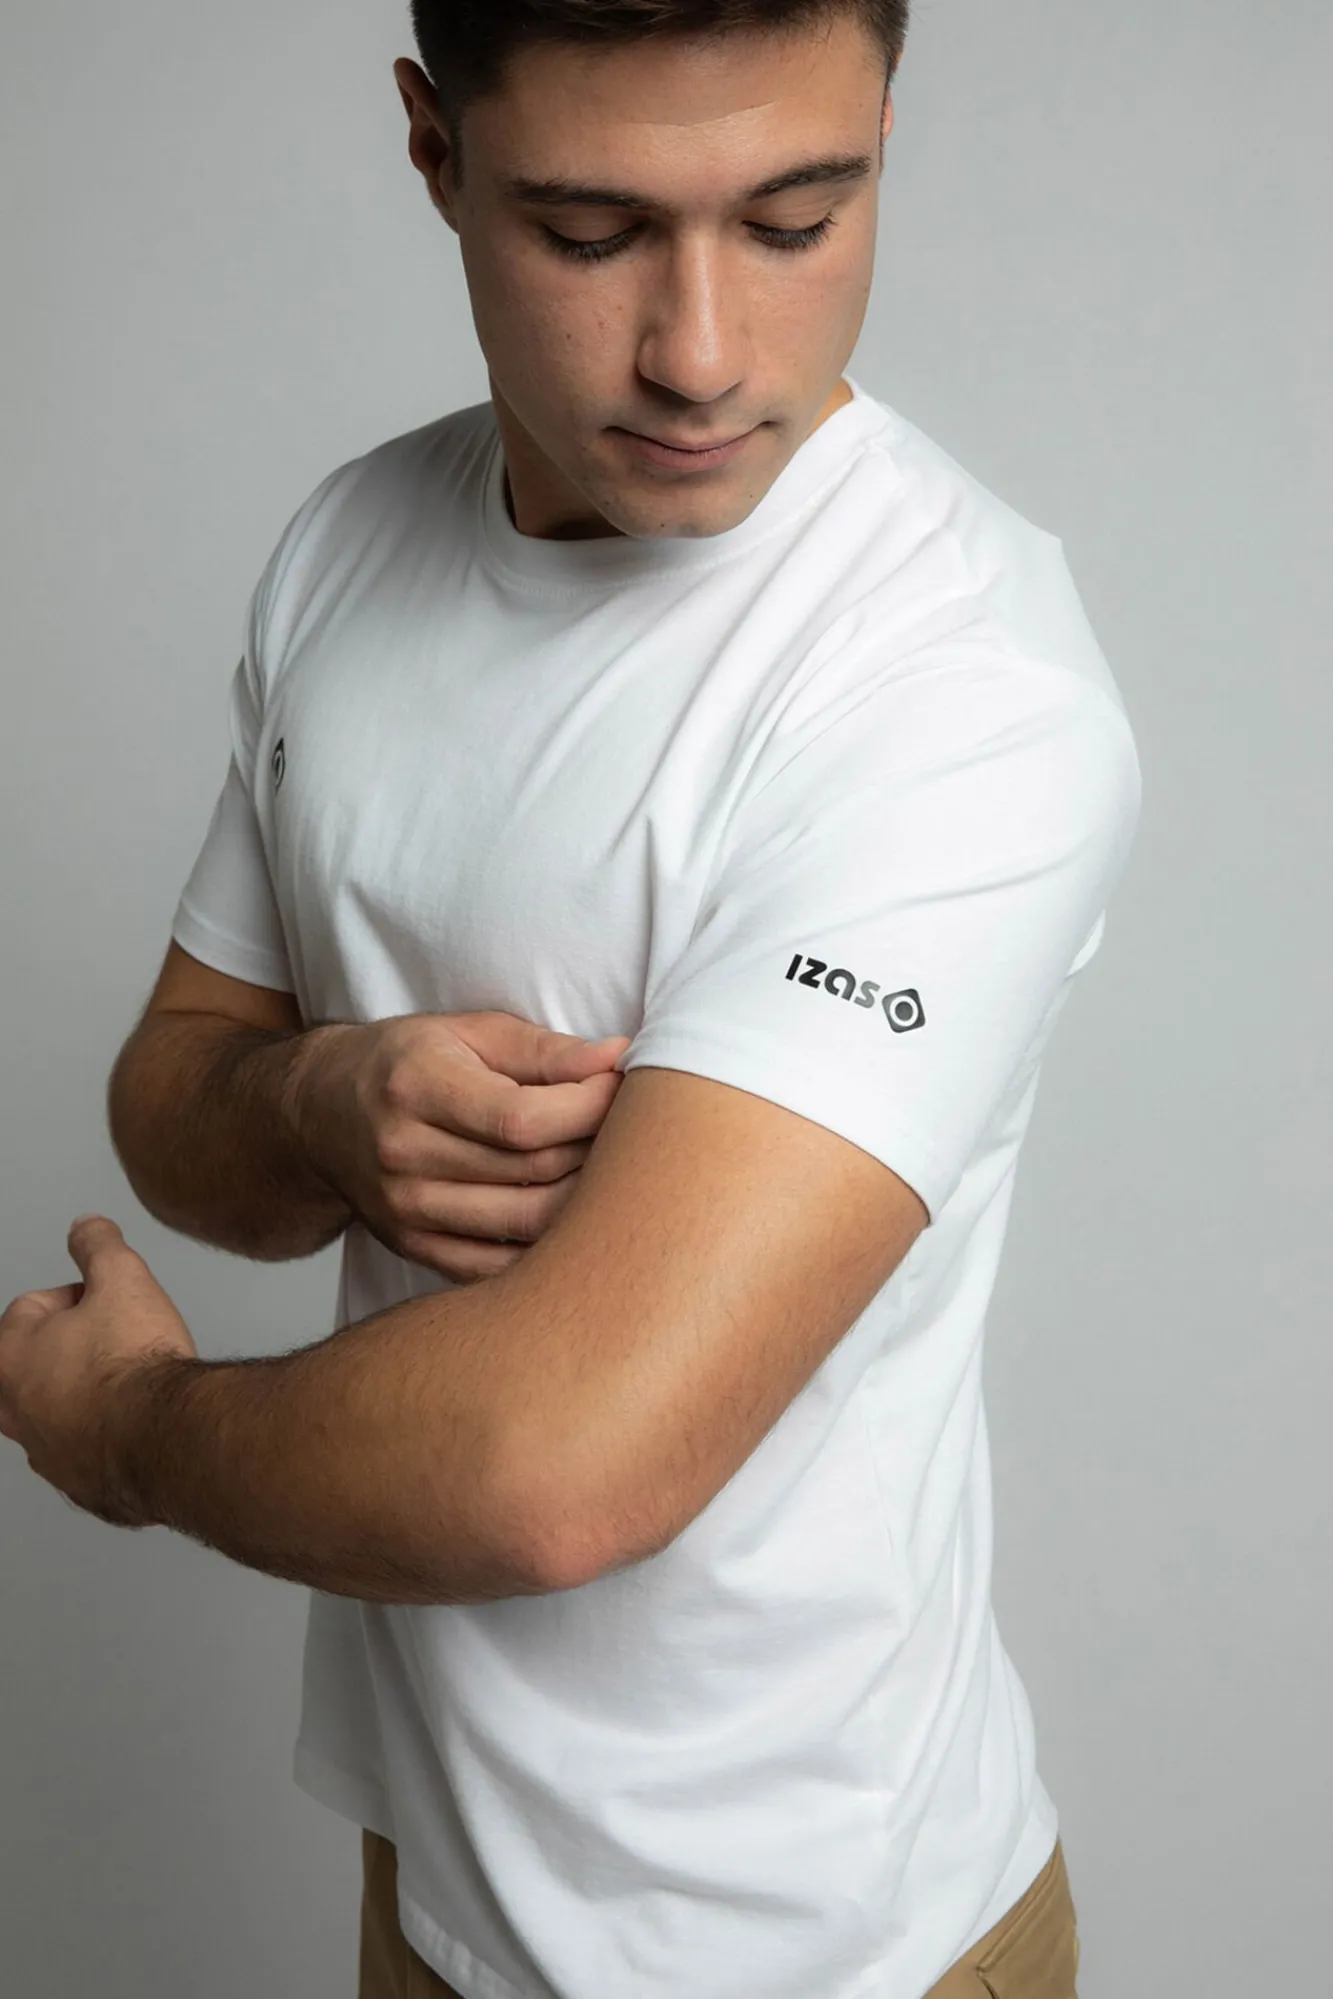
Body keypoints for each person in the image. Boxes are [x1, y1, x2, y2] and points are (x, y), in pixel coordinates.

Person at [0, 3, 1142, 1994]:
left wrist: (132, 1433)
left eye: (795, 220)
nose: (700, 351)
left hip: (817, 1955)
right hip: (437, 1901)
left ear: (886, 127)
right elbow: (183, 1105)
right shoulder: (352, 545)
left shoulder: (957, 691)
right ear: (434, 150)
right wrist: (315, 1106)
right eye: (591, 234)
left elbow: (561, 1474)